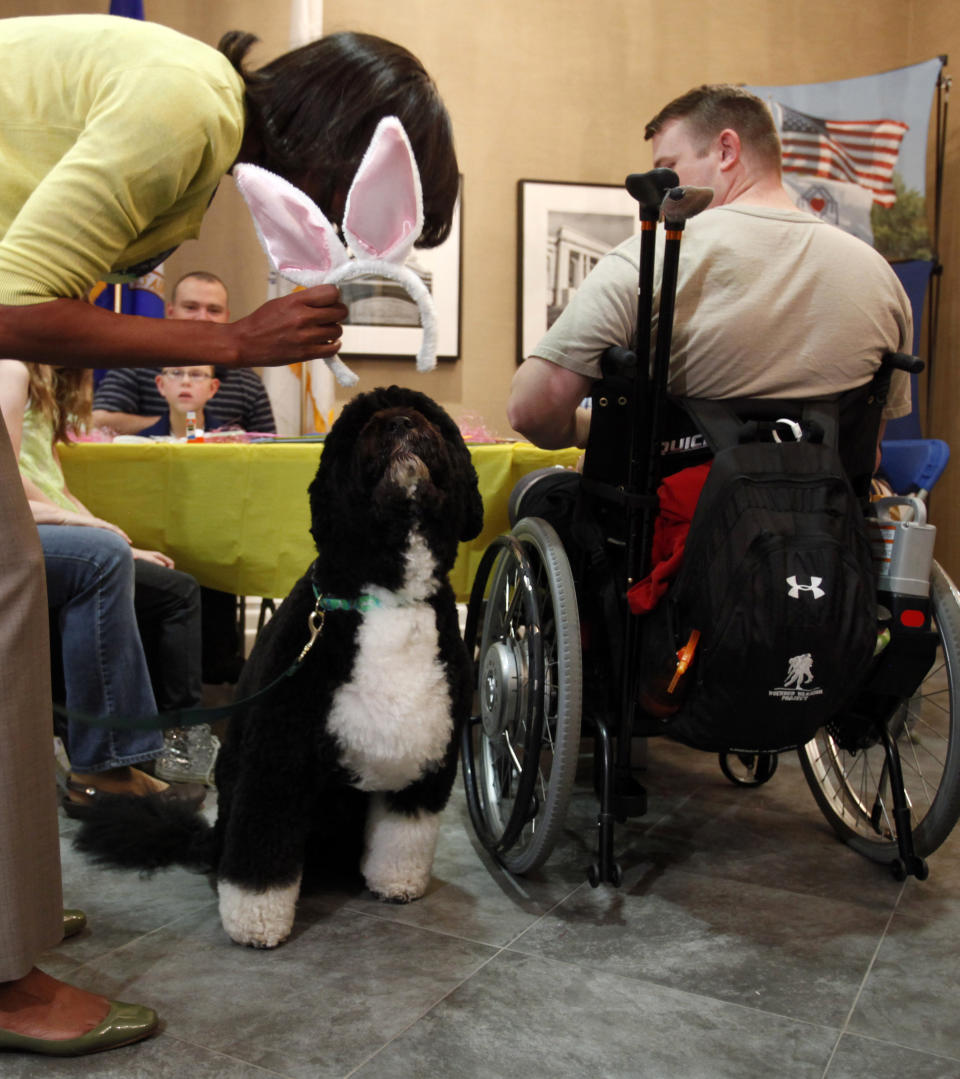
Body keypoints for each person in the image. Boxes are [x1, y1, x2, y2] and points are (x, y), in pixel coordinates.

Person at [0, 13, 458, 1055]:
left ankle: (8, 920)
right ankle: (7, 978)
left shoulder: (185, 106)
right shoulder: (190, 102)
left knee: (22, 598)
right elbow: (13, 299)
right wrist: (228, 338)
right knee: (11, 607)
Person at [507, 84, 912, 450]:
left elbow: (532, 410)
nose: (664, 190)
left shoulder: (651, 260)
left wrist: (592, 428)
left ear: (726, 150)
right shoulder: (882, 280)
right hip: (828, 524)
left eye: (669, 167)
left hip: (679, 522)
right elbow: (867, 452)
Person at [0, 358, 207, 814]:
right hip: (19, 528)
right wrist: (85, 527)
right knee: (115, 566)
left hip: (43, 525)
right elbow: (7, 482)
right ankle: (116, 760)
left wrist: (98, 526)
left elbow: (56, 485)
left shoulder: (46, 385)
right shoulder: (10, 369)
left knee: (166, 580)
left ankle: (145, 747)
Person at [91, 272, 277, 435]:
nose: (202, 317)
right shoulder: (137, 364)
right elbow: (98, 421)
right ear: (170, 312)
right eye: (191, 307)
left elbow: (268, 447)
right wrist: (176, 425)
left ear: (226, 317)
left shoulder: (247, 382)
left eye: (213, 310)